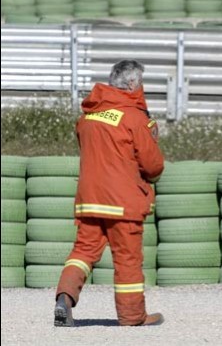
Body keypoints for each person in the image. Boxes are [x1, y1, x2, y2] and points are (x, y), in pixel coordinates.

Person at [54, 60, 165, 327]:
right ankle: (132, 316)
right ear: (131, 84)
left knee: (83, 252)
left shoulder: (87, 117)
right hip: (123, 202)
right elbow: (152, 165)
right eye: (140, 83)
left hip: (89, 200)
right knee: (127, 258)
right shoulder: (134, 117)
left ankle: (64, 299)